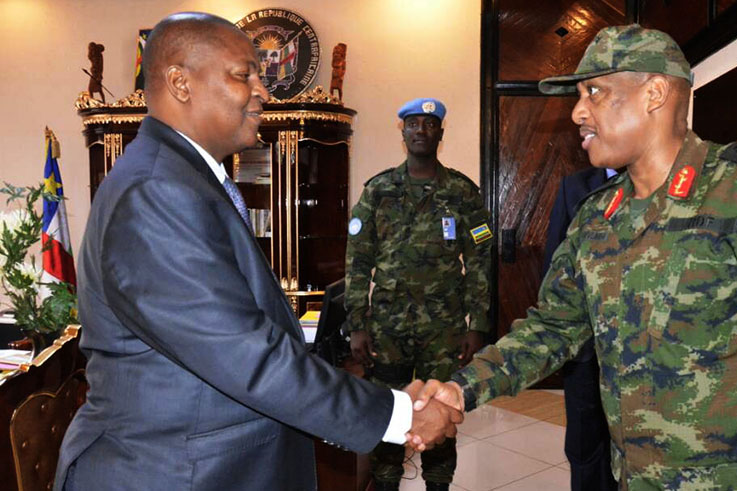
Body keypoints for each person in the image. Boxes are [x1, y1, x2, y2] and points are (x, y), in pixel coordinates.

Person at [411, 24, 737, 489]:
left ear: (654, 93)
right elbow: (552, 328)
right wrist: (459, 390)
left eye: (595, 91)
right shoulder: (598, 216)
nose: (577, 112)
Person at [54, 13, 460, 491]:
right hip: (172, 471)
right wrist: (396, 414)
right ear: (180, 83)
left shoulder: (185, 178)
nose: (262, 91)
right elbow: (244, 356)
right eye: (243, 74)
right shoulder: (155, 190)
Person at [345, 98, 493, 491]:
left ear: (439, 134)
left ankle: (439, 485)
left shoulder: (462, 192)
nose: (421, 131)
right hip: (388, 327)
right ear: (403, 132)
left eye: (429, 125)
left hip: (444, 327)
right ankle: (387, 482)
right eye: (413, 124)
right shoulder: (378, 190)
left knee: (441, 408)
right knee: (388, 409)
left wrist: (477, 325)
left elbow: (480, 260)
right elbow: (358, 261)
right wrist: (356, 324)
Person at [542, 166, 617, 491]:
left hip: (650, 351)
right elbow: (554, 263)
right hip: (586, 345)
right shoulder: (575, 186)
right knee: (585, 444)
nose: (582, 115)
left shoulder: (669, 178)